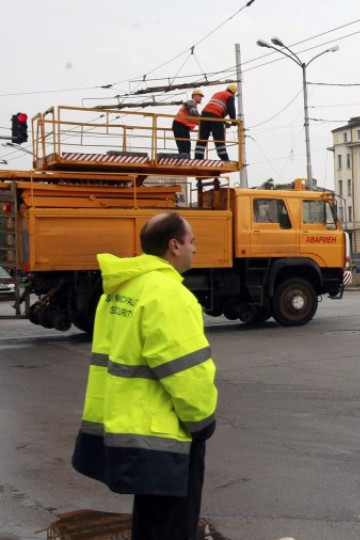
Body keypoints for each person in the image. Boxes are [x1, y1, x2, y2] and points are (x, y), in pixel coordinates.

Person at [72, 212, 218, 539]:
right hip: (167, 435)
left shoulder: (120, 289)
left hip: (130, 430)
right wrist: (203, 422)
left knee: (148, 525)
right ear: (174, 245)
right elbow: (186, 372)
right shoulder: (169, 294)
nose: (195, 248)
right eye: (192, 241)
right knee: (172, 528)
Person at [194, 83, 237, 162]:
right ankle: (224, 158)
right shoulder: (230, 96)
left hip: (204, 115)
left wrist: (224, 122)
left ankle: (198, 157)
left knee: (202, 138)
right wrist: (233, 121)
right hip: (215, 117)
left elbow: (215, 108)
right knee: (219, 138)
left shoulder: (218, 93)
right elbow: (231, 109)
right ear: (234, 93)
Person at [171, 89, 204, 156]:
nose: (201, 98)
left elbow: (197, 119)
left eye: (201, 96)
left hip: (184, 126)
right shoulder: (191, 102)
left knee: (187, 146)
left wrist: (204, 125)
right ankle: (183, 159)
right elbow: (194, 113)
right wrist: (204, 122)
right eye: (199, 96)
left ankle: (185, 158)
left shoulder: (194, 106)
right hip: (179, 124)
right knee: (183, 145)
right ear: (194, 96)